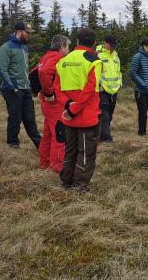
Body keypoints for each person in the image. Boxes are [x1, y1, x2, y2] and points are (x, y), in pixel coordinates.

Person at [55, 27, 102, 192]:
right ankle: (80, 185)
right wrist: (74, 108)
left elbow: (57, 88)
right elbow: (90, 90)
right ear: (94, 43)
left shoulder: (63, 61)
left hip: (69, 115)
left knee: (70, 150)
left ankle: (66, 181)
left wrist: (67, 105)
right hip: (86, 116)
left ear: (77, 41)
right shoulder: (94, 61)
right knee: (85, 153)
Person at [0, 21, 42, 149]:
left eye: (30, 33)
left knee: (30, 118)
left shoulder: (24, 48)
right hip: (12, 89)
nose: (29, 35)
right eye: (27, 33)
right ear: (18, 32)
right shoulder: (6, 47)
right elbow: (2, 69)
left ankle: (40, 145)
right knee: (15, 119)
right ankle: (13, 145)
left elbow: (23, 70)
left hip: (25, 89)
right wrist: (12, 87)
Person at [38, 35, 70, 173]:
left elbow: (39, 72)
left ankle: (44, 164)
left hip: (47, 104)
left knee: (48, 134)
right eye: (68, 46)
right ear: (62, 46)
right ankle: (57, 168)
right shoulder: (57, 57)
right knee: (59, 134)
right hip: (54, 103)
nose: (69, 49)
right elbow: (45, 72)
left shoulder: (46, 56)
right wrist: (49, 93)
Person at [96, 35, 122, 142]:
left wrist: (120, 83)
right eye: (111, 45)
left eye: (114, 45)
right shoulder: (98, 55)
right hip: (103, 90)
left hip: (114, 90)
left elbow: (118, 71)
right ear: (105, 43)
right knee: (104, 115)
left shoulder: (115, 55)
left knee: (109, 114)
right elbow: (94, 72)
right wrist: (98, 86)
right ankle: (106, 138)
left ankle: (101, 132)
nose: (112, 47)